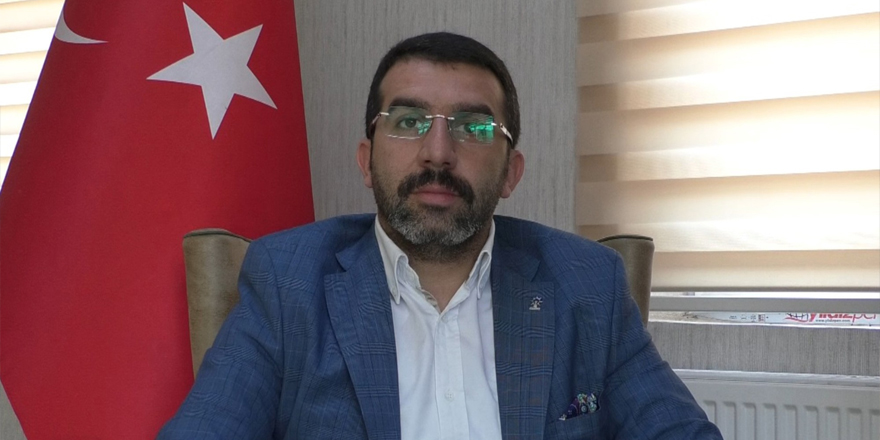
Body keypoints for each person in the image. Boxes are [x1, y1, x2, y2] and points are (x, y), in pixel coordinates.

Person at [158, 32, 722, 439]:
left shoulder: (587, 284)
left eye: (474, 127)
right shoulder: (288, 281)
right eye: (408, 122)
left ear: (511, 173)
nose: (438, 152)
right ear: (366, 160)